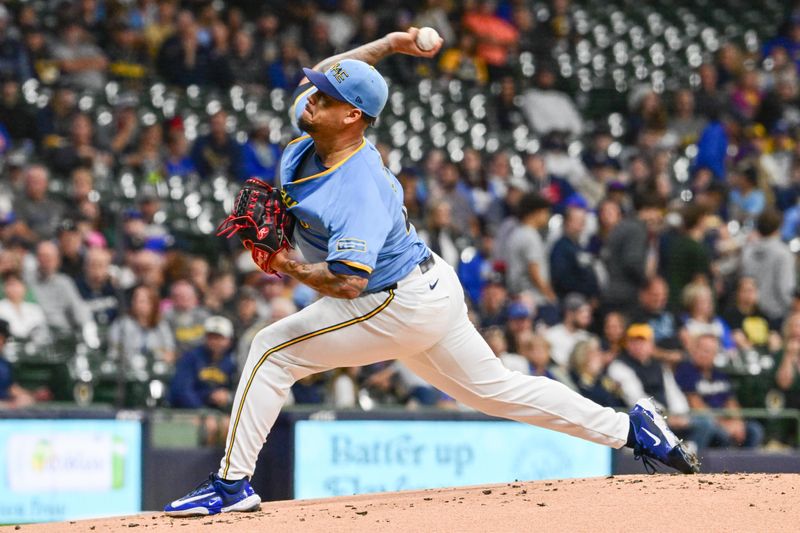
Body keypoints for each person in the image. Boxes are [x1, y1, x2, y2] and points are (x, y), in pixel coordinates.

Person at [165, 30, 697, 518]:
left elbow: (350, 282)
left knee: (270, 351)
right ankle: (632, 429)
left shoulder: (358, 188)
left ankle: (232, 485)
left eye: (325, 97)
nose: (310, 97)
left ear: (352, 117)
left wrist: (284, 264)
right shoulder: (322, 123)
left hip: (393, 299)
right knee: (497, 391)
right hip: (427, 284)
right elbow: (339, 69)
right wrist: (392, 44)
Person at [675, 333, 763, 448]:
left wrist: (738, 423)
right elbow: (695, 405)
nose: (703, 354)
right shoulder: (685, 371)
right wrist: (723, 424)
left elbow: (730, 401)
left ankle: (744, 465)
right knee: (719, 433)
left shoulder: (719, 374)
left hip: (724, 421)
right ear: (694, 349)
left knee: (754, 430)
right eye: (701, 349)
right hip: (702, 421)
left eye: (708, 351)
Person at [169, 315, 237, 409]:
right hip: (190, 412)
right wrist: (203, 408)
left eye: (219, 338)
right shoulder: (191, 358)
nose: (215, 342)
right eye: (211, 337)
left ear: (229, 340)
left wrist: (228, 397)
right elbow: (182, 390)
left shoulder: (232, 362)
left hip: (221, 412)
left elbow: (237, 390)